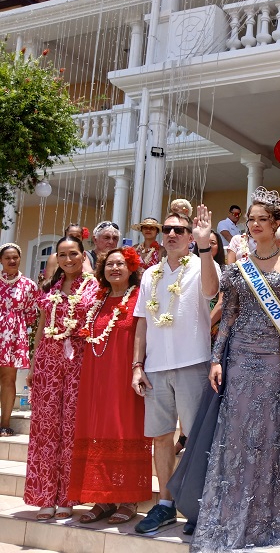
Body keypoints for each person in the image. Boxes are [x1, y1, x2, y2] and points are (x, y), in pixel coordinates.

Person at [190, 188, 280, 552]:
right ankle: (229, 515)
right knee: (237, 436)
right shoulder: (238, 266)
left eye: (263, 219)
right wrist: (216, 358)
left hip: (277, 361)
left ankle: (265, 520)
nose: (256, 224)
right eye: (251, 219)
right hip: (241, 359)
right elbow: (223, 309)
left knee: (271, 436)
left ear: (277, 224)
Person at [131, 206, 220, 534]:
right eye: (166, 229)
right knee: (161, 438)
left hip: (192, 363)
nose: (171, 234)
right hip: (155, 367)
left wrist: (205, 246)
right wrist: (137, 365)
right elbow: (141, 322)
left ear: (189, 237)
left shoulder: (202, 265)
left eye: (179, 230)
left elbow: (212, 291)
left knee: (195, 438)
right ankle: (165, 505)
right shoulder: (150, 275)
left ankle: (198, 506)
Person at [69, 247, 152, 524]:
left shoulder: (139, 298)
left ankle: (128, 499)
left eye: (121, 264)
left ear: (131, 269)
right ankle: (102, 498)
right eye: (109, 264)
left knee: (124, 430)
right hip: (96, 378)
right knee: (97, 431)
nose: (114, 268)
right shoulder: (98, 299)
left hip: (125, 376)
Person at [24, 236, 98, 520]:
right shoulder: (50, 287)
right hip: (48, 362)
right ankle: (45, 496)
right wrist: (33, 365)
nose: (68, 260)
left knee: (71, 428)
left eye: (74, 254)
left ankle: (68, 496)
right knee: (46, 429)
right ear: (56, 257)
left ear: (83, 256)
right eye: (63, 255)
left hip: (80, 361)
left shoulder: (94, 286)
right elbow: (42, 325)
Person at [0, 243, 38, 437]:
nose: (12, 260)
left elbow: (32, 314)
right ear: (1, 260)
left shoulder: (29, 285)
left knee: (9, 379)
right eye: (7, 257)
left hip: (14, 336)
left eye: (15, 257)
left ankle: (4, 424)